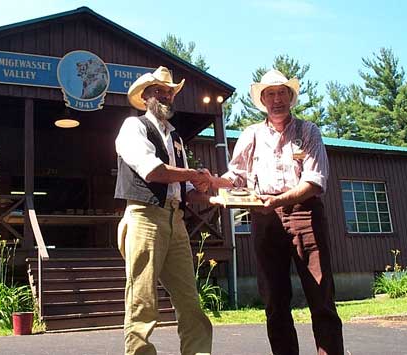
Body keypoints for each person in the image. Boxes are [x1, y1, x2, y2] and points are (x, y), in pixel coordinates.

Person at [211, 69, 344, 354]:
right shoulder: (251, 134)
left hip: (304, 215)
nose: (276, 99)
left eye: (281, 92)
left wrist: (280, 200)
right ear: (262, 100)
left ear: (290, 97)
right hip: (265, 218)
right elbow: (237, 176)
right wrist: (212, 182)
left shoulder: (308, 131)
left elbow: (315, 182)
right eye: (270, 94)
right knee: (274, 301)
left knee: (321, 297)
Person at [114, 66, 213, 355]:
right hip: (144, 217)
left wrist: (209, 192)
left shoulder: (176, 139)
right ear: (145, 97)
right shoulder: (134, 126)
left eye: (170, 92)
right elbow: (154, 172)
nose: (166, 95)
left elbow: (182, 191)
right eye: (159, 90)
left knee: (190, 301)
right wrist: (193, 174)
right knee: (142, 300)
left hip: (176, 219)